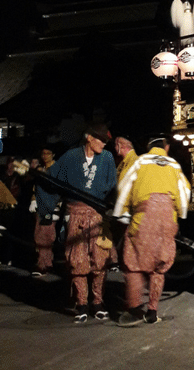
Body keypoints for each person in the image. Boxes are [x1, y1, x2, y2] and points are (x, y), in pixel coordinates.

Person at [35, 123, 117, 323]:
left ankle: (97, 302)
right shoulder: (71, 157)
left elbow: (113, 185)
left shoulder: (106, 158)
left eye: (106, 141)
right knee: (77, 261)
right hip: (75, 215)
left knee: (100, 261)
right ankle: (81, 303)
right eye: (101, 140)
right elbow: (51, 179)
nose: (104, 145)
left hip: (97, 215)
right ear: (89, 137)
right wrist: (37, 180)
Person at [113, 135, 190, 326]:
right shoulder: (174, 165)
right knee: (158, 265)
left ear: (149, 147)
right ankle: (152, 312)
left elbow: (124, 186)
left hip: (144, 216)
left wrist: (121, 213)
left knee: (133, 263)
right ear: (165, 147)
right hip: (167, 218)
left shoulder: (140, 162)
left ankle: (134, 310)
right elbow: (184, 191)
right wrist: (181, 214)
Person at [32, 146, 58, 276]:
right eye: (43, 153)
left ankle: (43, 264)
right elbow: (35, 187)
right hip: (41, 204)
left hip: (50, 205)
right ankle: (47, 263)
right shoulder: (41, 169)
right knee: (42, 234)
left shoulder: (56, 169)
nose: (45, 156)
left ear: (53, 154)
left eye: (48, 153)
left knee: (44, 235)